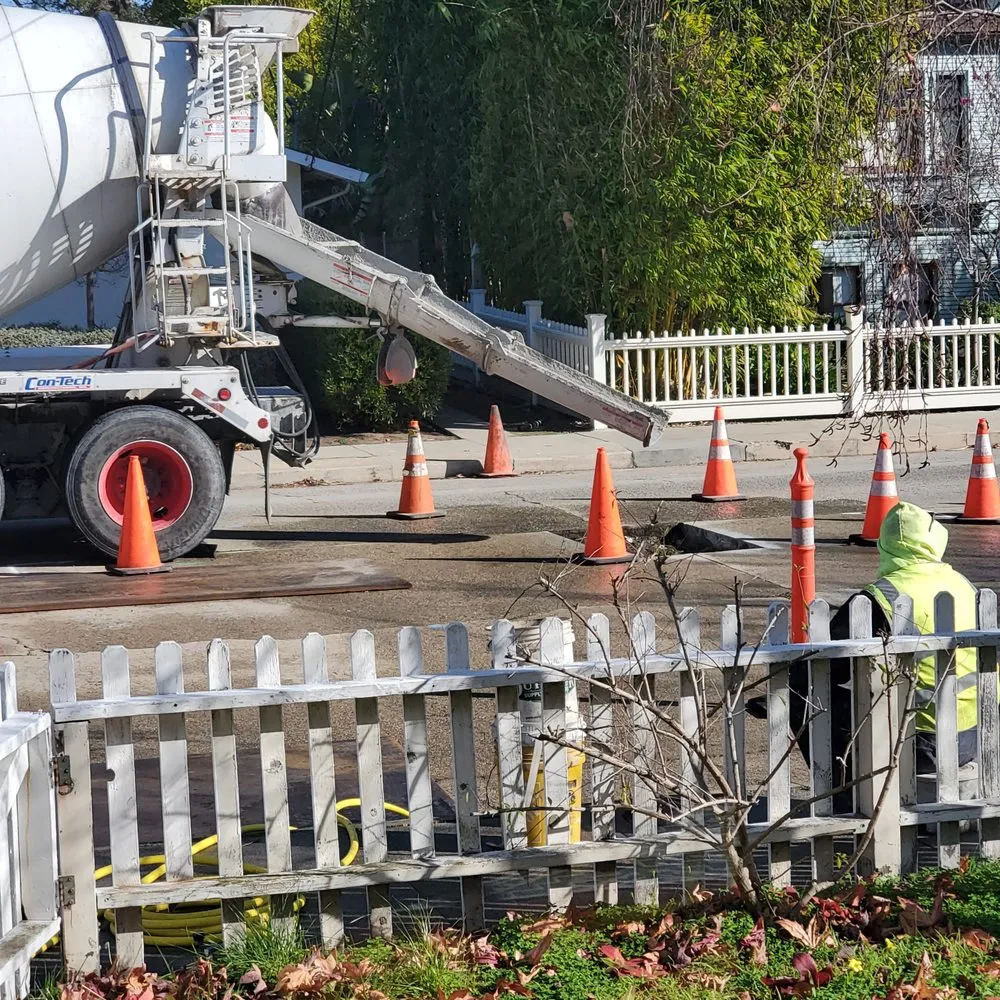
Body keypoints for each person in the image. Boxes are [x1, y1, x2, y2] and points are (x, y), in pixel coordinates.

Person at [749, 501, 979, 812]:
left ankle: (847, 801)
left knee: (809, 697)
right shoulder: (965, 586)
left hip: (918, 739)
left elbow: (825, 665)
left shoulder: (882, 596)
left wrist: (782, 692)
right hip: (972, 734)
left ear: (885, 546)